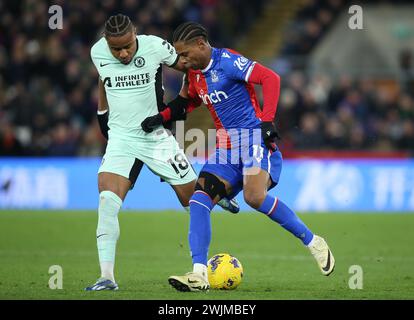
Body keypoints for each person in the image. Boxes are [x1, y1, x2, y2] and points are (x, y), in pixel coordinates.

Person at [141, 22, 335, 292]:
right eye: (179, 56)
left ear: (201, 44)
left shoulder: (228, 62)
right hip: (226, 148)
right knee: (198, 200)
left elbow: (271, 78)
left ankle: (313, 241)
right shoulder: (193, 76)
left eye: (185, 54)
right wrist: (159, 118)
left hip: (254, 138)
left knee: (254, 197)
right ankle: (199, 274)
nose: (181, 61)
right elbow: (187, 103)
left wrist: (267, 121)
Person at [86, 15, 238, 291]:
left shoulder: (155, 46)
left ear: (135, 35)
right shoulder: (97, 52)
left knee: (193, 200)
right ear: (106, 43)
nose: (122, 53)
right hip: (121, 139)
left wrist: (180, 101)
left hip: (156, 137)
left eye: (127, 46)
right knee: (107, 202)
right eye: (115, 48)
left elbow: (188, 65)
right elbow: (103, 78)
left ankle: (219, 194)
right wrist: (101, 110)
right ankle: (106, 277)